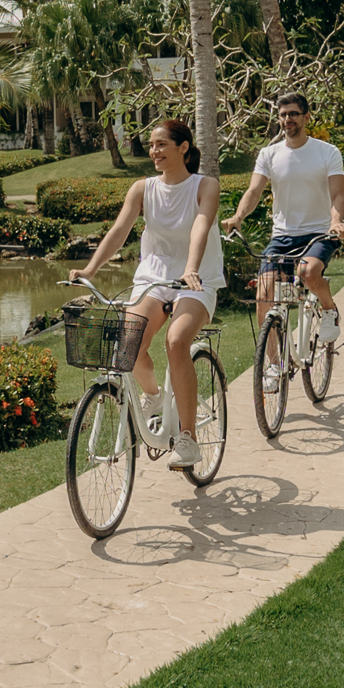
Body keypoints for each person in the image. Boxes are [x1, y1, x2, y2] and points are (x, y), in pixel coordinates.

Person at [69, 113, 222, 472]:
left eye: (161, 144)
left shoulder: (205, 186)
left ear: (183, 148)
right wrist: (91, 268)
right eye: (151, 145)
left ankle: (187, 438)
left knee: (176, 341)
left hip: (196, 281)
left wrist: (191, 267)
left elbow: (201, 225)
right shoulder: (142, 188)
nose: (154, 151)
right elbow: (120, 230)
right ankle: (153, 397)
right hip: (153, 278)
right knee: (128, 339)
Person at [228, 90, 344, 326]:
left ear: (307, 117)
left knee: (308, 272)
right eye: (283, 114)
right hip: (282, 236)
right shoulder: (269, 154)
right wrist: (238, 216)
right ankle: (273, 362)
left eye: (294, 114)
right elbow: (254, 191)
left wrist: (336, 222)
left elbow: (337, 195)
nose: (288, 119)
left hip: (319, 234)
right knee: (263, 295)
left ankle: (329, 309)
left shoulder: (328, 152)